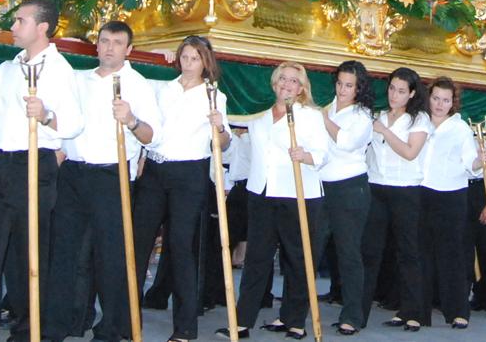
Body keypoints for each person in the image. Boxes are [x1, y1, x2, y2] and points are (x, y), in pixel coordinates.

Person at [0, 0, 86, 342]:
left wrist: (44, 114)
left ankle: (29, 331)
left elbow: (72, 124)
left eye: (20, 21)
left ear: (42, 28)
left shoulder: (58, 69)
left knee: (28, 253)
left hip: (33, 161)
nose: (13, 27)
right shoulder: (10, 67)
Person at [43, 20, 158, 342]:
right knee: (64, 251)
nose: (109, 47)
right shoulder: (78, 81)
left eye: (117, 42)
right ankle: (59, 324)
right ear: (97, 44)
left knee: (111, 255)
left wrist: (132, 120)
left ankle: (112, 328)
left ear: (129, 49)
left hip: (112, 174)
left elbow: (151, 136)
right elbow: (63, 124)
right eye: (104, 41)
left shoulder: (138, 85)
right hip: (74, 173)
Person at [134, 35, 230, 342]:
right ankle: (124, 317)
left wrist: (220, 127)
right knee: (138, 242)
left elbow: (224, 143)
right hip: (156, 168)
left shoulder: (214, 96)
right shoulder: (165, 89)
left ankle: (185, 327)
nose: (188, 64)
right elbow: (152, 128)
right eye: (185, 57)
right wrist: (141, 158)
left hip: (189, 173)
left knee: (181, 247)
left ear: (205, 63)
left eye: (194, 59)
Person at [232, 62, 330, 340]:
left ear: (302, 88)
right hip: (261, 192)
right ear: (274, 83)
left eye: (294, 81)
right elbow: (245, 149)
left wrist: (306, 156)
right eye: (282, 79)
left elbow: (323, 153)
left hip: (298, 193)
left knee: (298, 259)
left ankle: (294, 320)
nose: (287, 84)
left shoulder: (310, 116)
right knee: (256, 259)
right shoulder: (257, 114)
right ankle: (241, 321)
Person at [361, 67, 430, 331]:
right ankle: (358, 312)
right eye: (392, 88)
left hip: (406, 189)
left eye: (401, 91)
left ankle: (413, 312)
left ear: (411, 94)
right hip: (376, 186)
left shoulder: (419, 120)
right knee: (370, 251)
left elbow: (411, 152)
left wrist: (386, 132)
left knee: (408, 252)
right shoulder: (379, 116)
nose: (394, 95)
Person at [417, 76, 486, 329]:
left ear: (452, 103)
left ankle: (457, 311)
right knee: (420, 254)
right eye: (436, 98)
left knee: (452, 255)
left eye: (445, 100)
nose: (439, 104)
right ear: (429, 98)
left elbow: (471, 163)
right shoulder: (419, 122)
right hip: (421, 192)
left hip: (451, 195)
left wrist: (481, 161)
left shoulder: (460, 129)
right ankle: (418, 312)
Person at [318, 60, 374, 335]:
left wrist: (323, 119)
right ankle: (294, 314)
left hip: (350, 188)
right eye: (339, 83)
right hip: (322, 185)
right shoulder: (328, 106)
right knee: (311, 248)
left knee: (349, 254)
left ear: (358, 88)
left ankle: (353, 315)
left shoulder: (362, 115)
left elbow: (346, 142)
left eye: (348, 85)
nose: (342, 89)